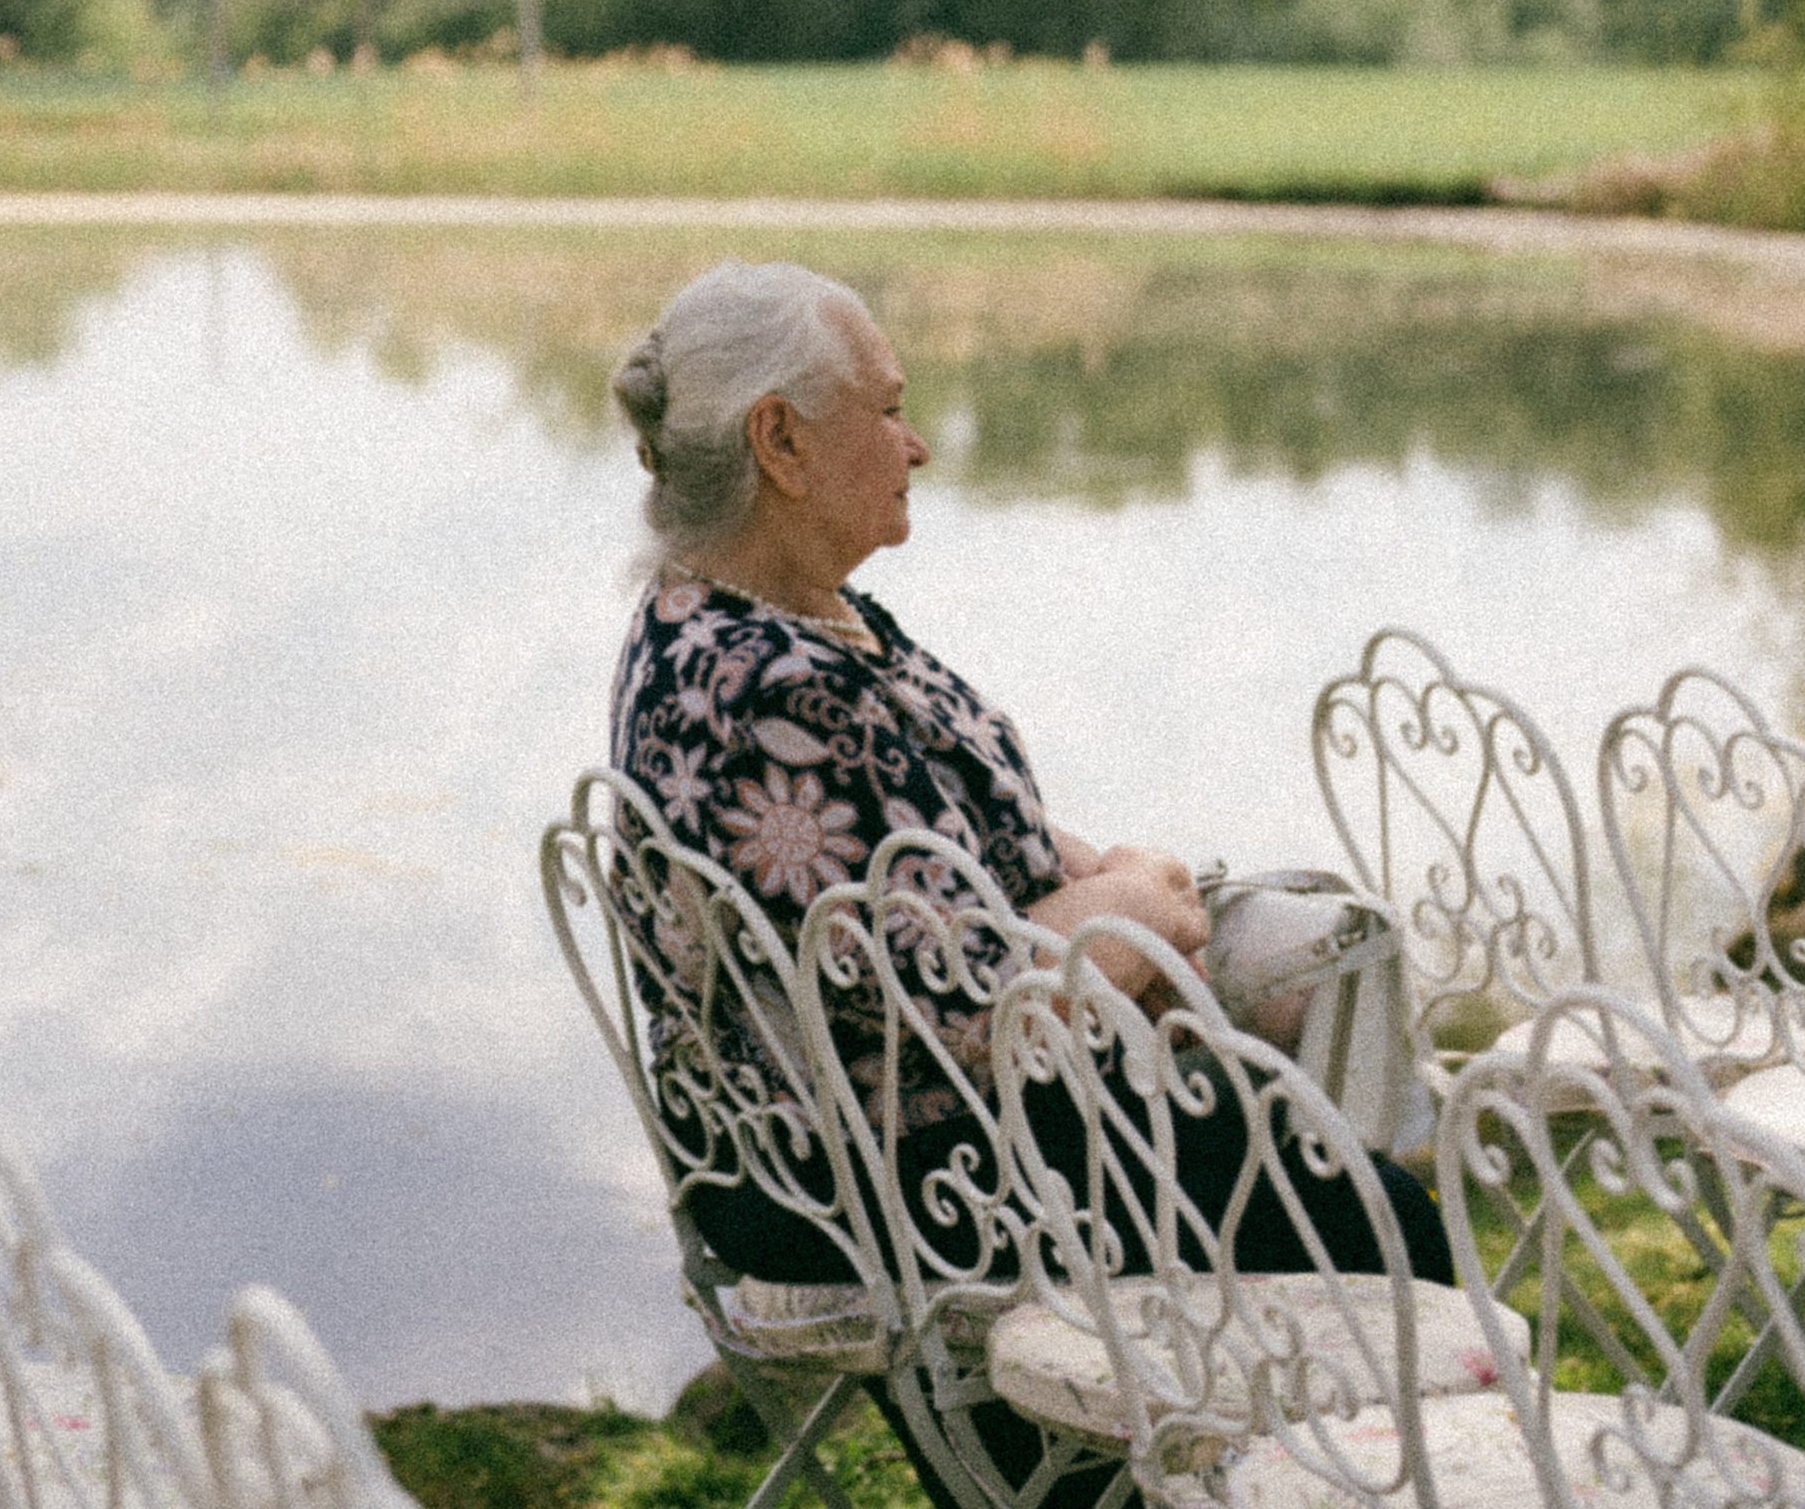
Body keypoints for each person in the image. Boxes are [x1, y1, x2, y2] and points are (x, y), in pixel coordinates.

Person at [606, 256, 1455, 1311]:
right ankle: (1317, 1453)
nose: (914, 445)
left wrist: (1103, 873)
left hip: (892, 1131)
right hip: (888, 1174)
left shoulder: (761, 618)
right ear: (779, 441)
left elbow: (939, 820)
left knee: (1311, 1029)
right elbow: (963, 1009)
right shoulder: (763, 687)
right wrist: (1131, 902)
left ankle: (1244, 1443)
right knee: (1378, 1224)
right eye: (887, 410)